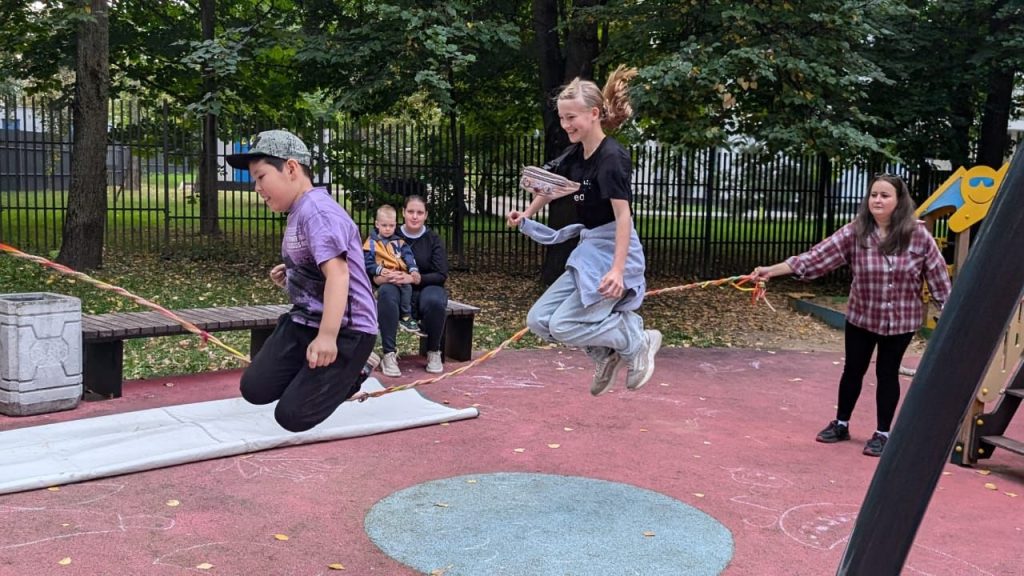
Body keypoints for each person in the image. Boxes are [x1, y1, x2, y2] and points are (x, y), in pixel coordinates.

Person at [752, 173, 952, 457]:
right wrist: (771, 271)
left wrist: (950, 316)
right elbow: (816, 258)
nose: (878, 200)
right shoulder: (856, 232)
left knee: (887, 373)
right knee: (853, 370)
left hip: (902, 320)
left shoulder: (918, 236)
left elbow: (938, 277)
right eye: (873, 195)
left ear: (899, 201)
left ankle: (883, 434)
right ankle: (841, 424)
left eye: (885, 195)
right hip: (862, 316)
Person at [506, 65, 662, 396]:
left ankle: (636, 338)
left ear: (593, 114)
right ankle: (604, 351)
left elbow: (624, 219)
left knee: (563, 325)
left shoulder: (611, 158)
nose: (566, 126)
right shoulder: (576, 153)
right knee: (539, 320)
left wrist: (618, 271)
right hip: (590, 249)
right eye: (562, 119)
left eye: (571, 118)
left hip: (614, 250)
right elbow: (548, 185)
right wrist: (527, 213)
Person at [225, 129, 378, 432]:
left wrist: (327, 338)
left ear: (291, 168)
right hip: (305, 319)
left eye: (261, 176)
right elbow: (320, 263)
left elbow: (338, 274)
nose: (257, 187)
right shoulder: (300, 210)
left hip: (347, 330)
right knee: (255, 389)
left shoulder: (318, 212)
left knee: (292, 417)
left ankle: (356, 369)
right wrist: (294, 272)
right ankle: (316, 371)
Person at [373, 195, 449, 377]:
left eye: (420, 212)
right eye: (411, 212)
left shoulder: (433, 239)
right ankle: (389, 354)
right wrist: (384, 278)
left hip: (424, 286)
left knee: (436, 300)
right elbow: (370, 268)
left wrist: (413, 278)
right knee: (386, 294)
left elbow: (441, 274)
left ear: (426, 215)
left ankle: (433, 351)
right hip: (395, 286)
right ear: (403, 213)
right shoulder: (388, 235)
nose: (415, 216)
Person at [363, 204, 425, 337]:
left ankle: (406, 317)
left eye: (391, 226)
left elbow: (409, 257)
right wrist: (379, 270)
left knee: (407, 287)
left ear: (395, 225)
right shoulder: (371, 244)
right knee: (385, 293)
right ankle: (380, 319)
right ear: (377, 224)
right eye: (384, 225)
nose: (387, 229)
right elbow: (367, 263)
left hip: (398, 273)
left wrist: (413, 270)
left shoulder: (399, 242)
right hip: (382, 275)